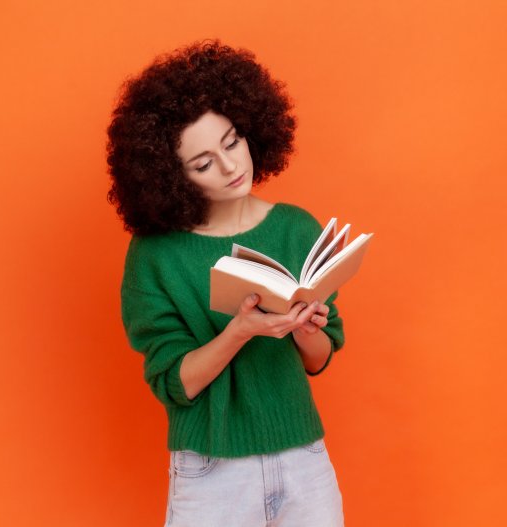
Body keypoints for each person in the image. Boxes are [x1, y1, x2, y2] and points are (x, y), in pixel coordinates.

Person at [107, 40, 346, 526]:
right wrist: (240, 329)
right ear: (172, 177)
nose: (232, 166)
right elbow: (175, 384)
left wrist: (306, 327)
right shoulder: (156, 256)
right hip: (213, 471)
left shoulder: (296, 228)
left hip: (304, 458)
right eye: (203, 163)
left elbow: (319, 359)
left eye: (232, 141)